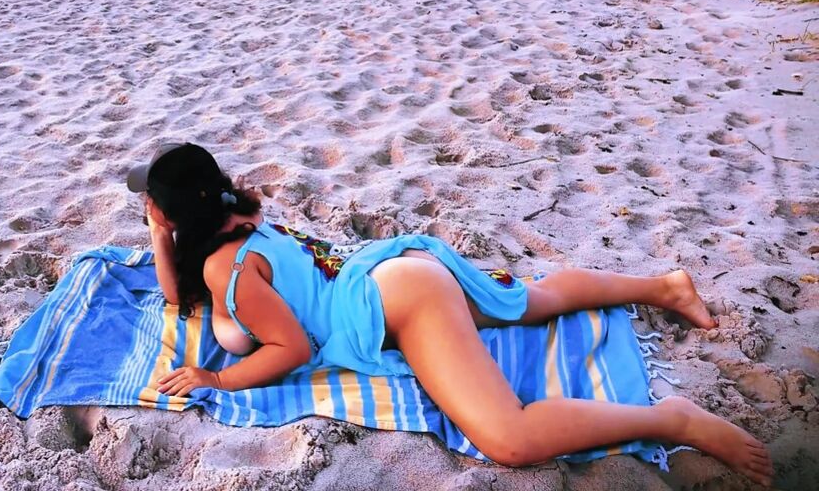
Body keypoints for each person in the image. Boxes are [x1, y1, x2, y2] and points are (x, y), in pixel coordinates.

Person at [127, 141, 773, 486]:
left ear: (175, 215)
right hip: (394, 269)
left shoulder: (222, 267)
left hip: (396, 303)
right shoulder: (247, 215)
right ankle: (663, 287)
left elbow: (288, 349)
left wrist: (218, 380)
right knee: (536, 301)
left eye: (153, 209)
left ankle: (673, 419)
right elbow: (185, 299)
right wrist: (163, 236)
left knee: (509, 439)